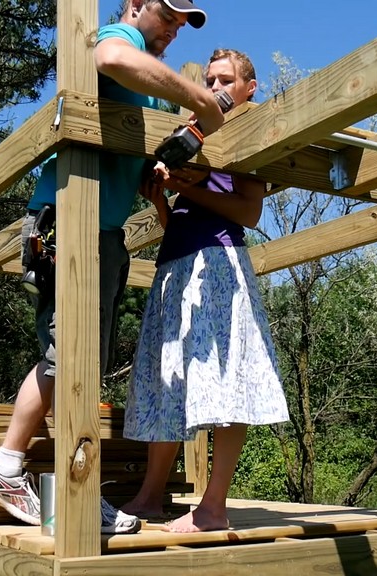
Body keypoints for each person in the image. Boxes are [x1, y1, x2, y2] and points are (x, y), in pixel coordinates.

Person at [0, 0, 225, 535]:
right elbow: (108, 55)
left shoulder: (148, 86)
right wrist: (203, 98)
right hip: (71, 217)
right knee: (71, 353)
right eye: (170, 15)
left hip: (101, 228)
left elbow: (128, 154)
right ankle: (24, 474)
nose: (177, 28)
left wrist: (156, 169)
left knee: (78, 357)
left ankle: (25, 473)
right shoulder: (117, 37)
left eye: (184, 23)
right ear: (135, 5)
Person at [121, 48, 290, 533]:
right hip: (175, 264)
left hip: (218, 265)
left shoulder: (250, 130)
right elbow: (190, 214)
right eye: (209, 80)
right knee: (167, 379)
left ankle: (213, 508)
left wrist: (184, 185)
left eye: (225, 80)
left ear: (248, 88)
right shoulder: (193, 135)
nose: (215, 89)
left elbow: (248, 213)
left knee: (225, 379)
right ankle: (151, 497)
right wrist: (163, 204)